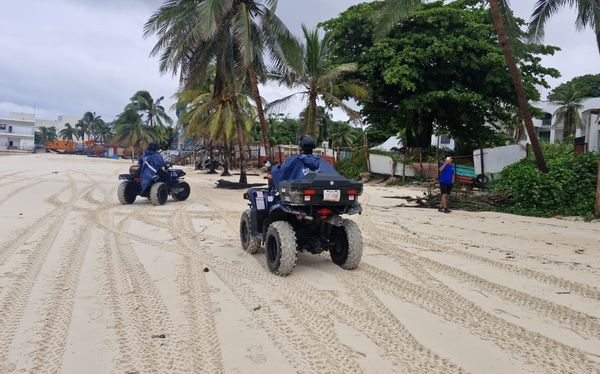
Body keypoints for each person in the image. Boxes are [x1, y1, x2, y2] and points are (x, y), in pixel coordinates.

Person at [270, 135, 337, 190]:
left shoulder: (294, 160)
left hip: (297, 193)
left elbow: (282, 171)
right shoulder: (320, 161)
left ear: (300, 147)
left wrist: (273, 171)